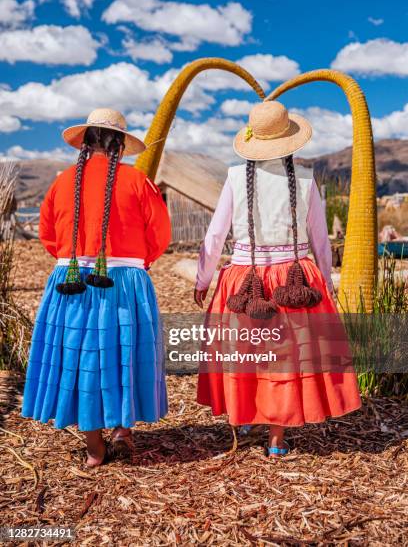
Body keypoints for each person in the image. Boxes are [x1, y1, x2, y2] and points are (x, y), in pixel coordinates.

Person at [194, 101, 361, 458]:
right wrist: (327, 282)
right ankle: (276, 439)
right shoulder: (305, 178)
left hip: (243, 280)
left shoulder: (235, 177)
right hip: (295, 281)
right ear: (290, 141)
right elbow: (320, 238)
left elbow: (214, 235)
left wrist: (203, 278)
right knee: (284, 358)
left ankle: (246, 414)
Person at [22, 108, 171, 467]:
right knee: (123, 352)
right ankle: (122, 429)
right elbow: (160, 234)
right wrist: (138, 263)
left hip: (69, 281)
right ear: (119, 144)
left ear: (86, 142)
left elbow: (47, 234)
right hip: (125, 281)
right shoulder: (138, 181)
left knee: (80, 357)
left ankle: (94, 447)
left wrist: (73, 259)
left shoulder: (62, 182)